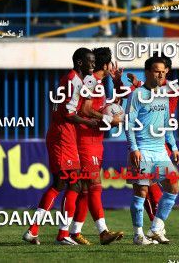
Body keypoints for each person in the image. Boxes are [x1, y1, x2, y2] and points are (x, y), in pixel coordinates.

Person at [23, 48, 97, 245]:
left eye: (94, 61)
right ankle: (55, 233)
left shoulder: (77, 81)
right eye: (90, 61)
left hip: (66, 134)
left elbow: (77, 107)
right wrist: (89, 122)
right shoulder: (72, 80)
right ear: (79, 62)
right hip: (62, 134)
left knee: (73, 183)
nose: (93, 64)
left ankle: (44, 232)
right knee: (63, 183)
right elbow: (68, 113)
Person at [68, 47, 125, 245]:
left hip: (96, 140)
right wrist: (108, 117)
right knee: (94, 186)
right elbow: (85, 109)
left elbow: (100, 106)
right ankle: (103, 232)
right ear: (105, 65)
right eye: (110, 64)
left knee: (85, 189)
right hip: (85, 141)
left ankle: (74, 232)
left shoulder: (99, 83)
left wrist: (117, 83)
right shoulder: (91, 82)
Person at [125, 56, 179, 245]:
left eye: (163, 71)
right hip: (142, 149)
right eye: (157, 71)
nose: (161, 74)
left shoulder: (164, 95)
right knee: (141, 191)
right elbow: (129, 123)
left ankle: (156, 229)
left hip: (160, 151)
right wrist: (134, 148)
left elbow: (167, 124)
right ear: (148, 72)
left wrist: (173, 146)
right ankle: (138, 235)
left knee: (173, 187)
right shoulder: (136, 94)